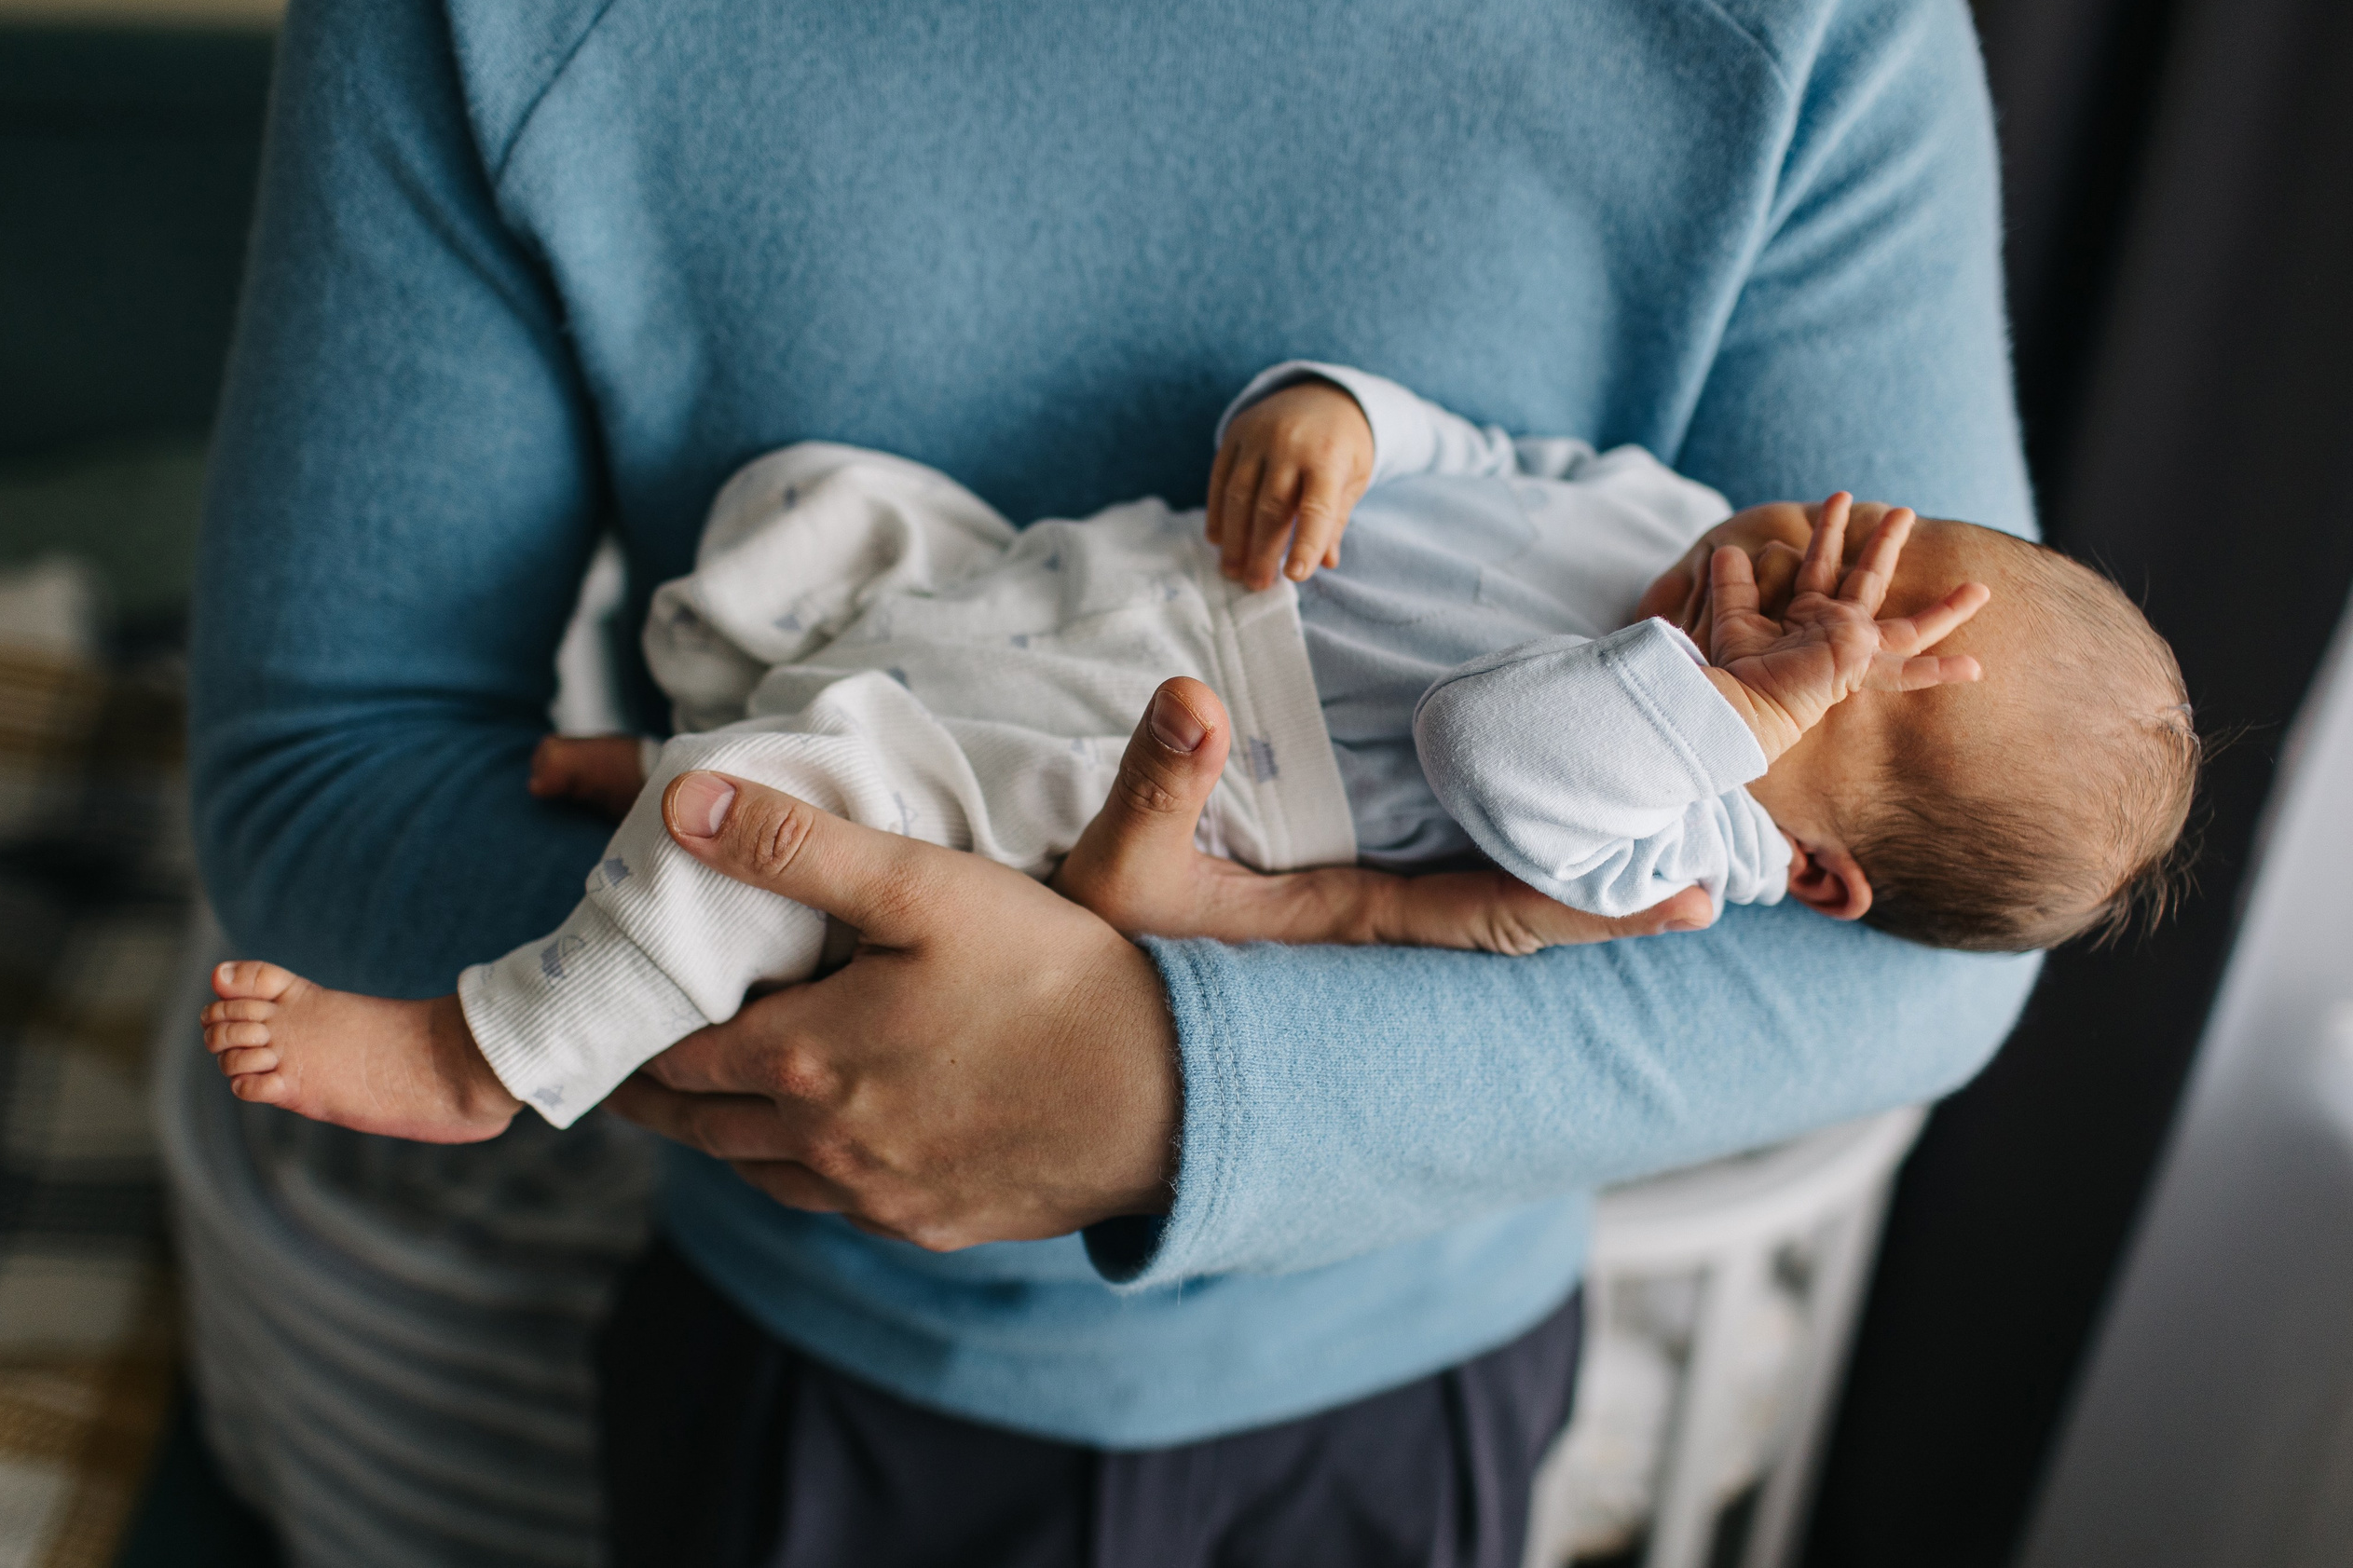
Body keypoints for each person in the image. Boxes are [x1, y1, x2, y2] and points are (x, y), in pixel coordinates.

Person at [188, 0, 2057, 1561]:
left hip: (1391, 1376)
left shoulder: (1793, 24)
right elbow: (318, 774)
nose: (1819, 596)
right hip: (804, 1353)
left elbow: (1920, 937)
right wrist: (803, 912)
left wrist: (1170, 1079)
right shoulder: (506, 14)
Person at [196, 367, 2193, 1146]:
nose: (1801, 579)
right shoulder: (1677, 513)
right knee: (806, 515)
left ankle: (491, 1052)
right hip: (1106, 581)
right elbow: (1492, 464)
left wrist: (1731, 698)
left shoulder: (1669, 836)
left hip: (1169, 751)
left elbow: (1487, 742)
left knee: (837, 794)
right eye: (1878, 547)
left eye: (1849, 660)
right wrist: (1340, 416)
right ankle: (676, 761)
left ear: (1822, 863)